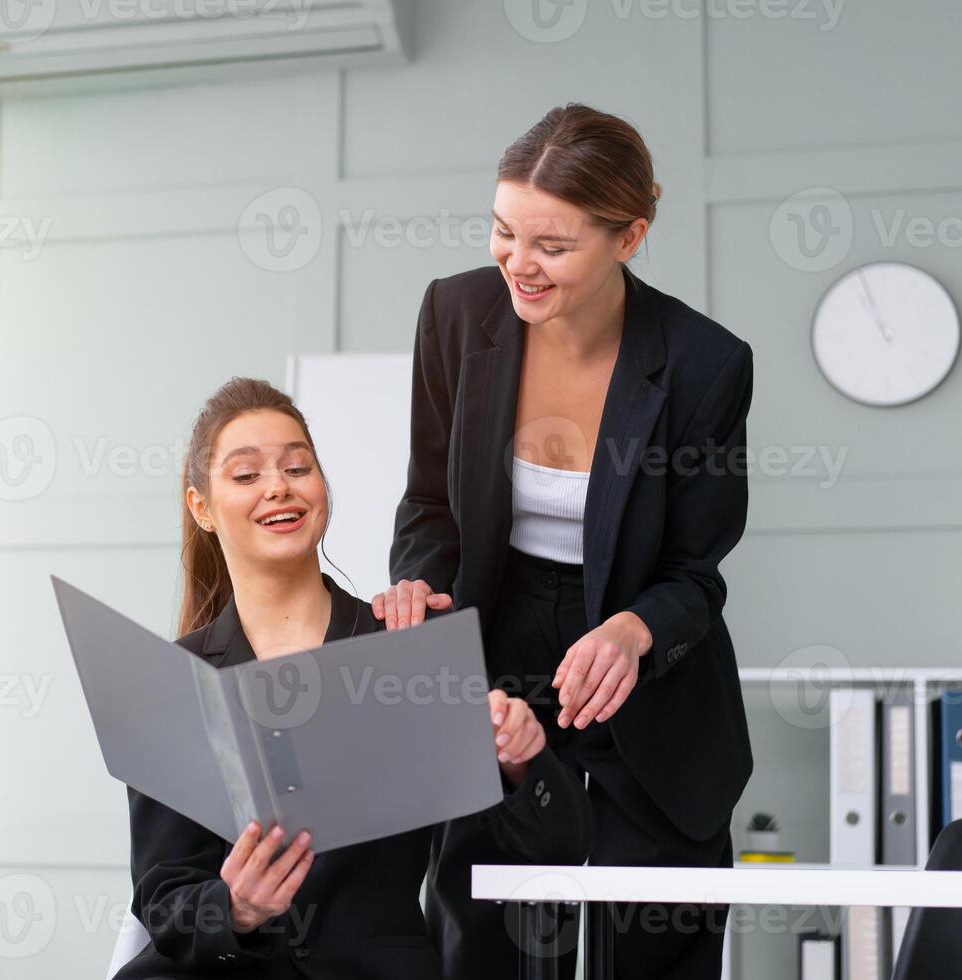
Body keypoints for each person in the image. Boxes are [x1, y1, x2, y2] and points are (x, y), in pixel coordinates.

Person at [376, 103, 755, 979]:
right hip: (494, 658)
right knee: (485, 934)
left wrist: (635, 630)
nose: (519, 263)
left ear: (630, 236)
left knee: (653, 937)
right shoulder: (455, 313)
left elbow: (696, 572)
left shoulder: (704, 363)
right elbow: (430, 504)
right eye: (505, 232)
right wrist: (417, 584)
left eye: (553, 245)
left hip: (642, 674)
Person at [115, 376, 592, 980]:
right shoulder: (174, 682)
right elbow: (164, 896)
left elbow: (558, 847)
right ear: (201, 508)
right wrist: (234, 910)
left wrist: (524, 761)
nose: (278, 488)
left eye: (298, 467)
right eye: (245, 475)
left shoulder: (403, 647)